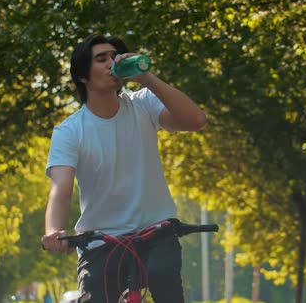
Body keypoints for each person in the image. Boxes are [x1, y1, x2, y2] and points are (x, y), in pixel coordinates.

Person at [40, 33, 206, 303]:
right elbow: (61, 190)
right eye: (101, 59)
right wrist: (54, 231)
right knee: (93, 293)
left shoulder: (143, 104)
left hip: (156, 232)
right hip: (100, 242)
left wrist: (146, 78)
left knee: (163, 275)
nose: (111, 63)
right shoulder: (69, 131)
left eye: (114, 57)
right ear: (83, 76)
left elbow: (196, 120)